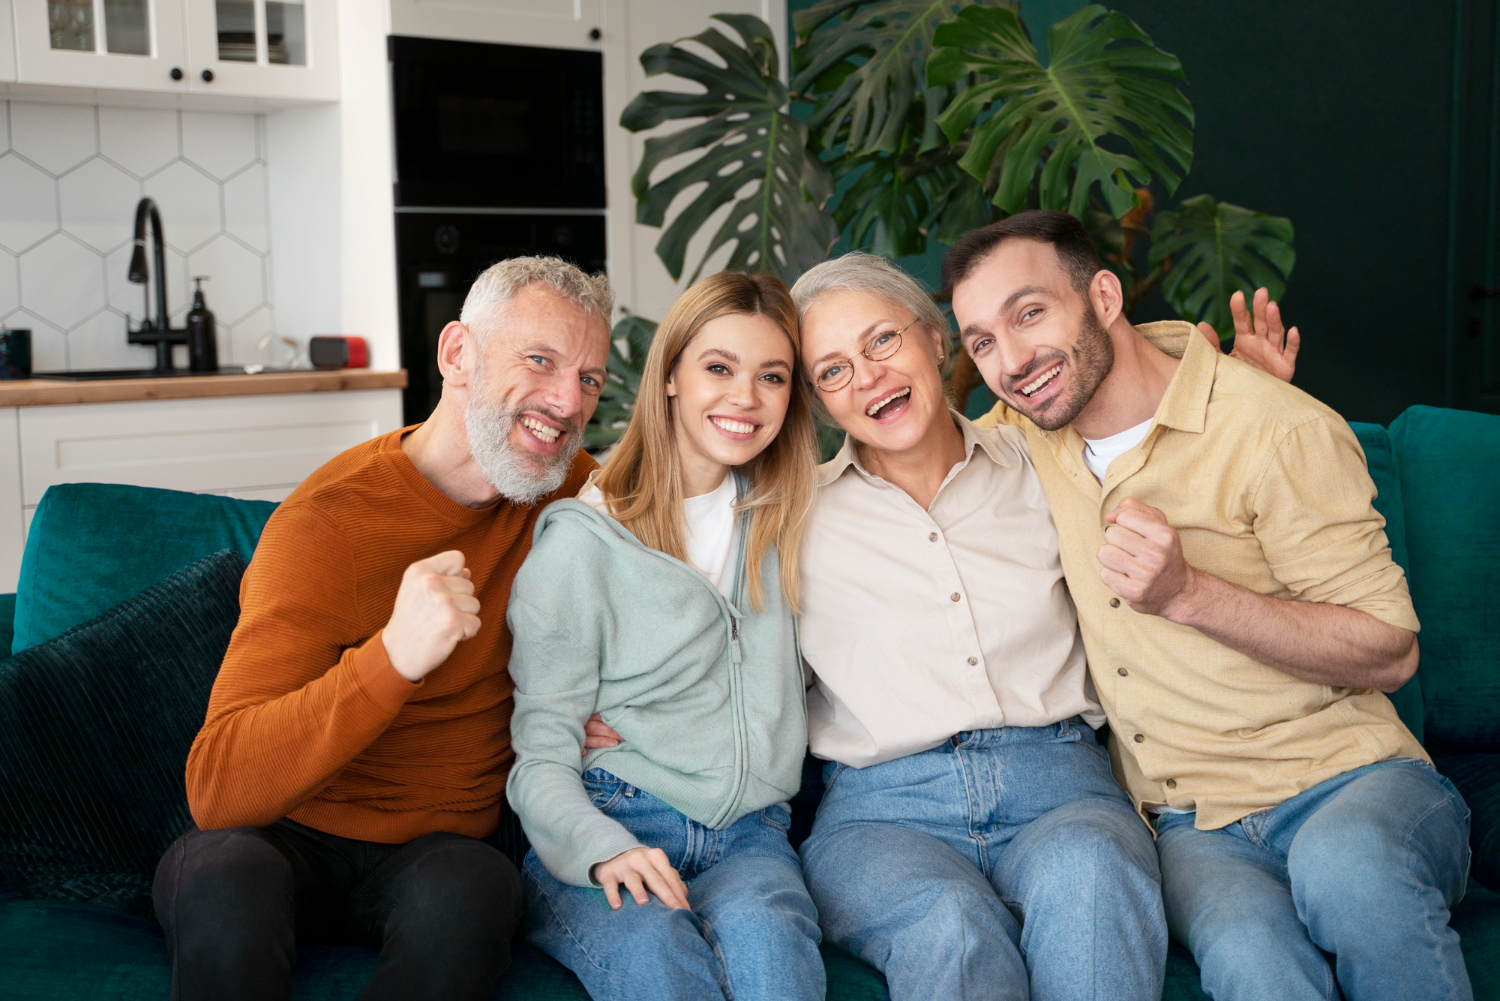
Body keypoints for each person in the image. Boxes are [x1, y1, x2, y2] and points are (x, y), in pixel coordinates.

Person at [947, 210, 1471, 1001]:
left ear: (1104, 295)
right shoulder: (1023, 434)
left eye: (1030, 313)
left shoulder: (1275, 428)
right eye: (982, 340)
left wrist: (1189, 594)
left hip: (1349, 779)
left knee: (1349, 870)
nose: (1013, 359)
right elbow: (914, 451)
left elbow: (1392, 650)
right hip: (1193, 822)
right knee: (1248, 956)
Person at [152, 256, 614, 1001]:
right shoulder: (324, 522)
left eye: (589, 378)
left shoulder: (575, 497)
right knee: (221, 875)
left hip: (440, 853)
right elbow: (219, 788)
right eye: (540, 361)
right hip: (281, 836)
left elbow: (687, 588)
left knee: (474, 893)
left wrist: (617, 702)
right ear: (458, 353)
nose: (566, 401)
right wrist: (393, 658)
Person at [787, 253, 1167, 1001]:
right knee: (951, 922)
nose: (865, 377)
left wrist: (1246, 398)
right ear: (820, 401)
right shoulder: (791, 518)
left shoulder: (1042, 459)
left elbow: (1148, 411)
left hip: (1060, 786)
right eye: (831, 371)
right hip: (881, 813)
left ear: (935, 339)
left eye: (881, 342)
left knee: (1092, 876)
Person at [505, 271, 824, 1001]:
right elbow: (539, 759)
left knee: (778, 967)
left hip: (751, 835)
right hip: (616, 815)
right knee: (660, 966)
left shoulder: (795, 517)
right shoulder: (585, 542)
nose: (745, 397)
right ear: (672, 374)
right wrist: (600, 847)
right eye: (718, 367)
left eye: (771, 376)